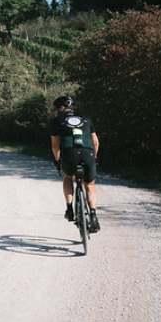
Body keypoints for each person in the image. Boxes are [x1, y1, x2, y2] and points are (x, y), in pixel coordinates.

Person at [50, 96, 101, 233]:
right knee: (89, 185)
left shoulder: (57, 121)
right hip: (88, 154)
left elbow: (55, 146)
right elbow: (95, 142)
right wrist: (94, 158)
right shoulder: (86, 119)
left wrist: (57, 160)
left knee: (67, 177)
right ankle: (93, 215)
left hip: (69, 155)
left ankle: (70, 209)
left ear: (60, 108)